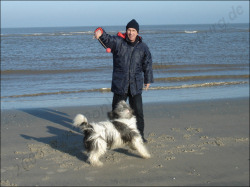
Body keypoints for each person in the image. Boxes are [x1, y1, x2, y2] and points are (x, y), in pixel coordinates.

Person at [94, 19, 154, 143]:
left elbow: (147, 64)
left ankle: (140, 136)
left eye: (133, 30)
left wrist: (148, 79)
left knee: (138, 113)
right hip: (120, 85)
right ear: (126, 31)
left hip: (135, 86)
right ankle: (113, 136)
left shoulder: (143, 47)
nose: (131, 33)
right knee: (116, 113)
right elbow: (108, 40)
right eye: (129, 30)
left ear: (137, 32)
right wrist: (100, 32)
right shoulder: (119, 42)